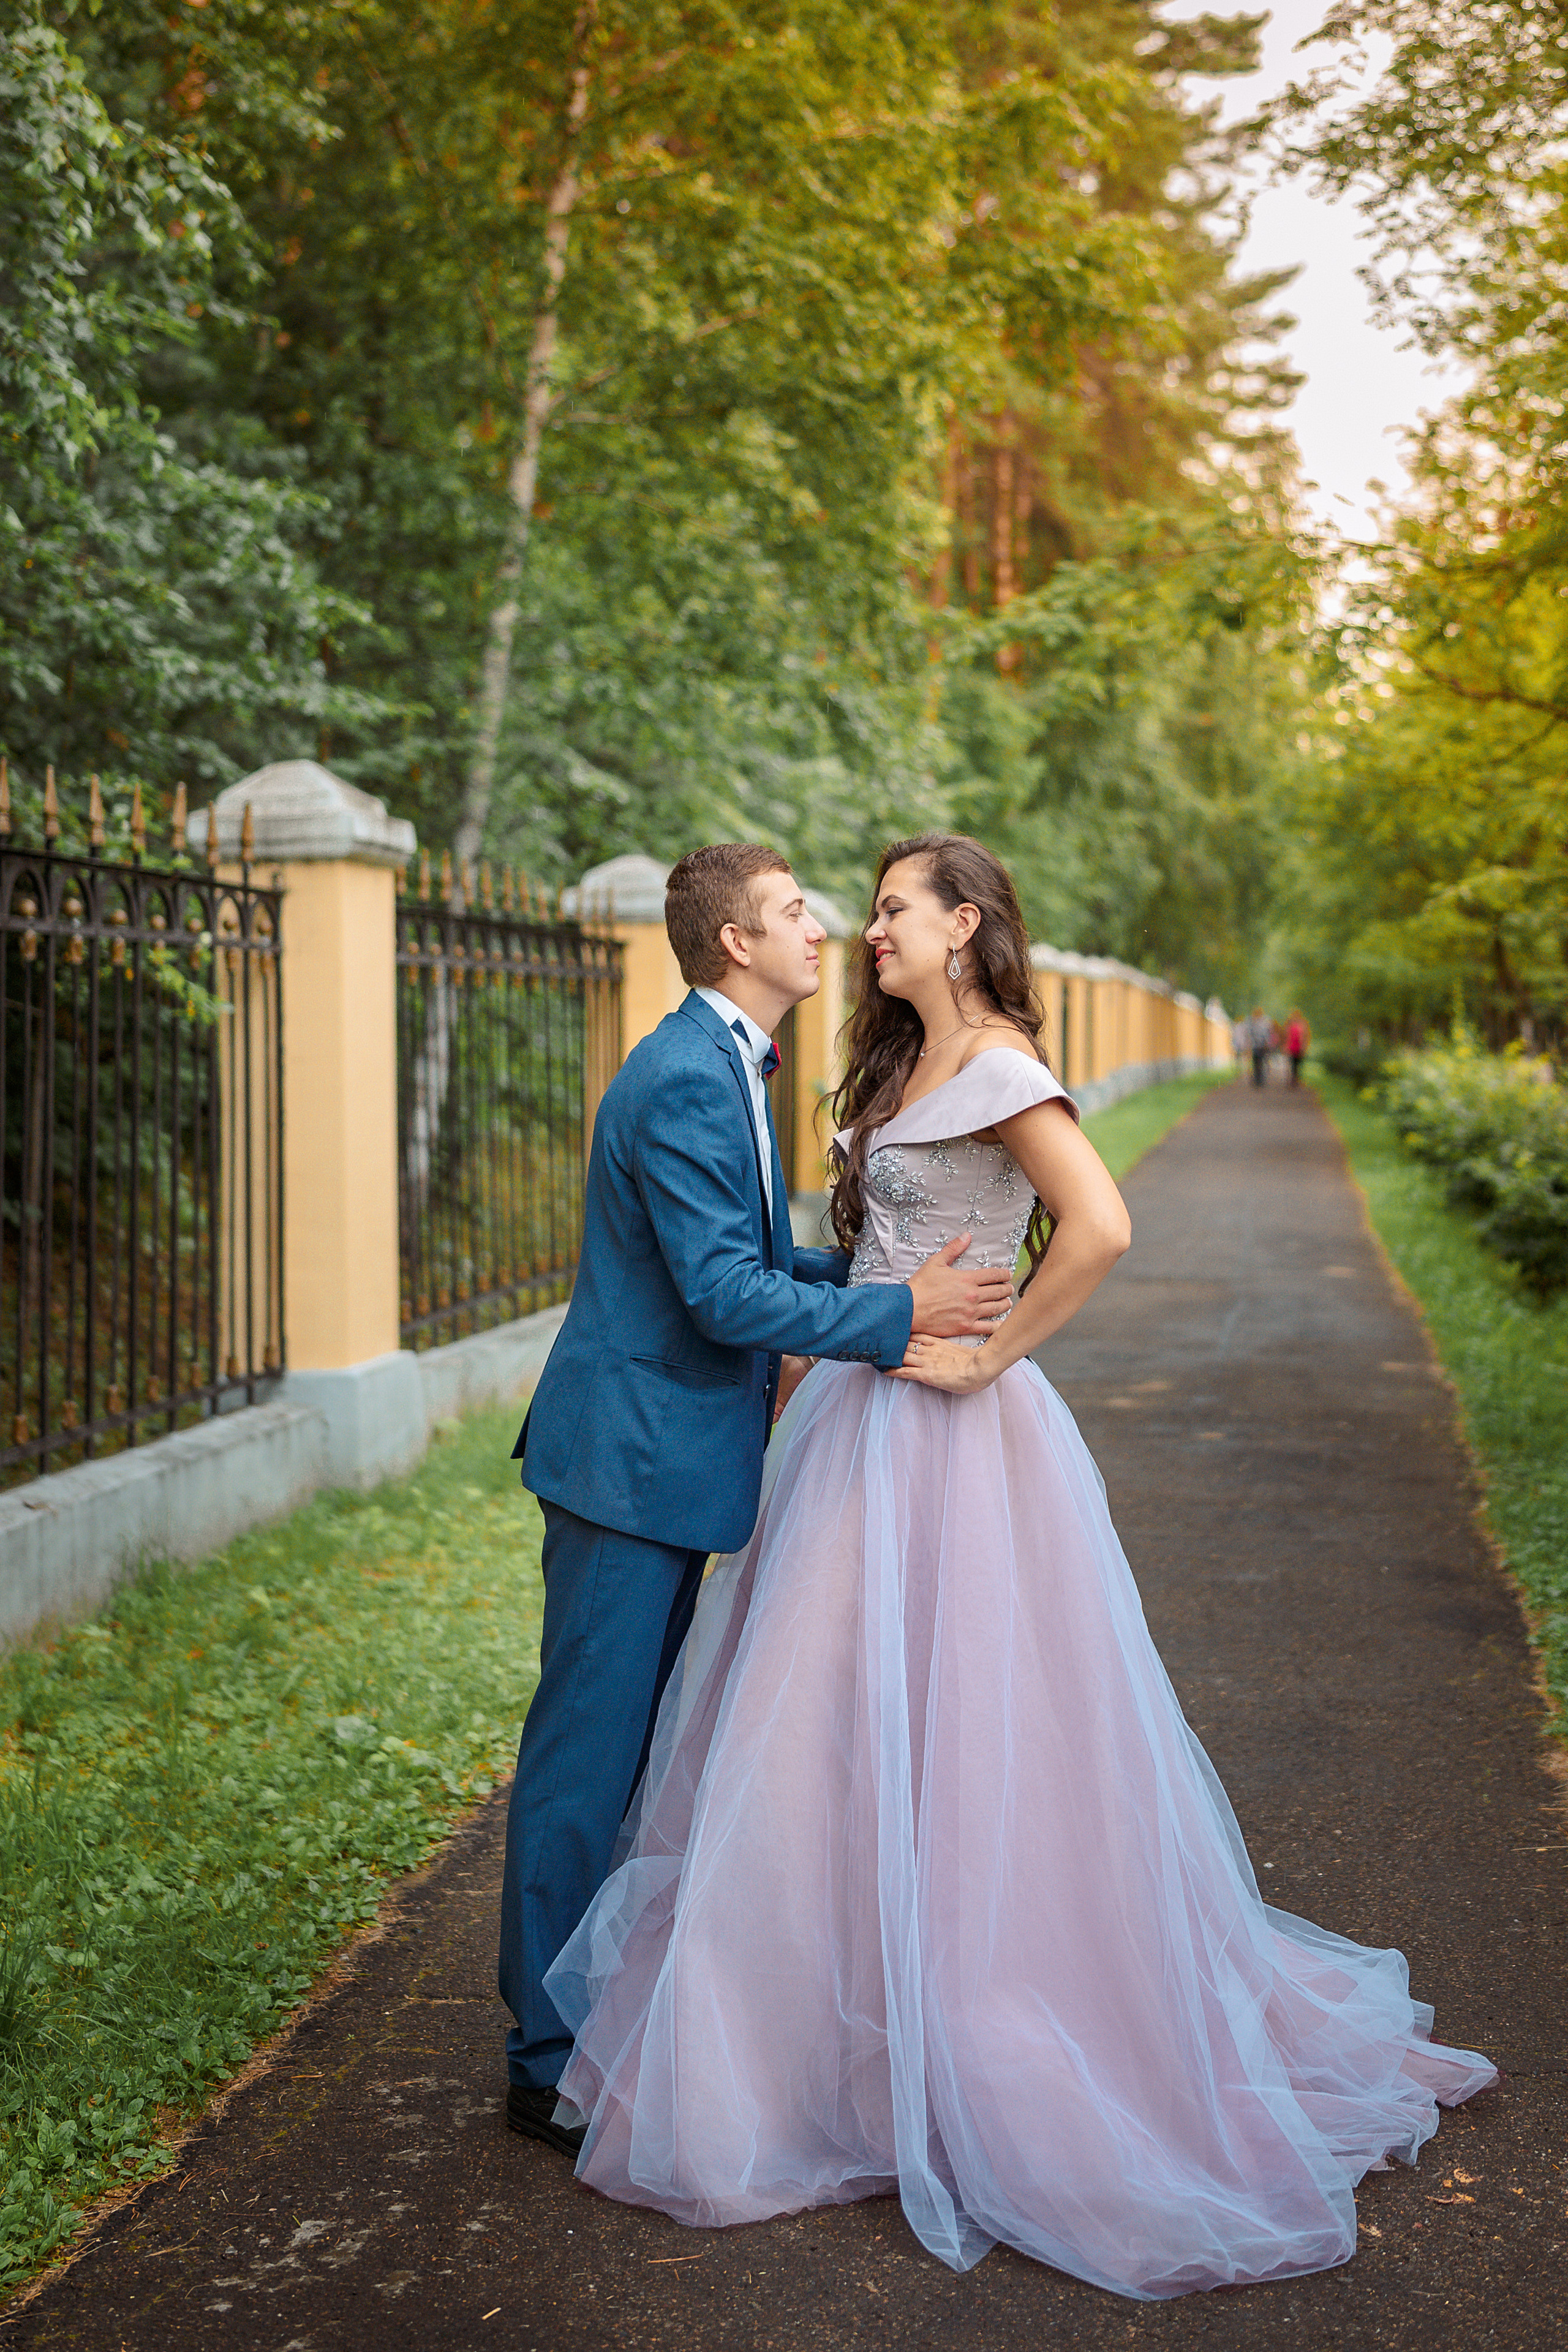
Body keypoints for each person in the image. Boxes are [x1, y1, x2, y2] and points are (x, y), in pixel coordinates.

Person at [543, 832, 1495, 2301]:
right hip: (850, 1431)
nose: (863, 932)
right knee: (820, 1736)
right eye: (847, 913)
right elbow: (835, 1265)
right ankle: (827, 2022)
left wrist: (989, 1351)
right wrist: (855, 1343)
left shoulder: (998, 1062)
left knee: (976, 1730)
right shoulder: (884, 1069)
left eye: (887, 910)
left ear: (962, 922)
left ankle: (976, 2015)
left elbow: (1099, 1224)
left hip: (956, 1443)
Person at [499, 843, 1014, 2154]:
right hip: (626, 1467)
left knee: (629, 1753)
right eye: (794, 911)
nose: (821, 925)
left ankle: (585, 2006)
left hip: (668, 1465)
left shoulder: (727, 1060)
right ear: (737, 942)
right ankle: (543, 2054)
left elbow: (730, 1253)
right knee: (585, 1758)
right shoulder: (684, 1073)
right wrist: (896, 1310)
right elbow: (721, 1299)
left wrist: (859, 1271)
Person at [1248, 1005, 1272, 1087]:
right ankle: (1257, 1079)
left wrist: (1267, 1043)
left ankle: (1260, 1079)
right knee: (1256, 1062)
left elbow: (1267, 1034)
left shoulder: (1265, 1022)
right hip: (1255, 1046)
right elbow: (1250, 1034)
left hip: (1262, 1046)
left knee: (1261, 1062)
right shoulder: (1252, 1023)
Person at [1286, 1008, 1311, 1087]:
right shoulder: (1290, 1025)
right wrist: (1286, 1046)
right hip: (1292, 1047)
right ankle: (1293, 1080)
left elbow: (1306, 1036)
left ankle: (1296, 1079)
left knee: (1298, 1064)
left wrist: (1305, 1046)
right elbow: (1287, 1036)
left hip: (1300, 1047)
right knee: (1292, 1063)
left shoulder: (1303, 1025)